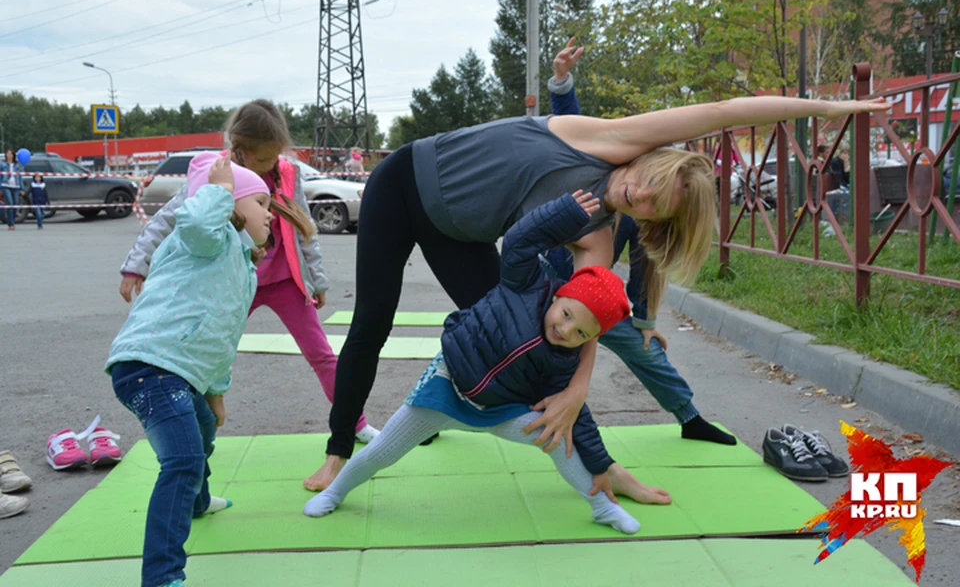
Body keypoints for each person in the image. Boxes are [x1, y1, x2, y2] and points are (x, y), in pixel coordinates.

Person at [305, 44, 891, 491]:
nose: (635, 194)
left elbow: (580, 322)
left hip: (460, 234)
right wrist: (832, 106)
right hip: (404, 181)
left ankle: (598, 468)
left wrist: (579, 384)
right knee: (373, 323)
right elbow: (722, 110)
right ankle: (338, 450)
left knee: (520, 338)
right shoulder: (609, 140)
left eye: (649, 207)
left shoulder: (597, 243)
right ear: (650, 162)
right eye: (646, 184)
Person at [304, 191, 670, 533]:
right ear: (559, 294)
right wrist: (564, 213)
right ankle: (336, 491)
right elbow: (519, 241)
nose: (567, 331)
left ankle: (602, 507)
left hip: (500, 408)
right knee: (384, 450)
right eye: (568, 314)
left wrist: (601, 464)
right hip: (445, 388)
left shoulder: (564, 361)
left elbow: (575, 417)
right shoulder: (524, 284)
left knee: (559, 437)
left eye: (582, 335)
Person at [118, 100, 380, 455]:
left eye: (274, 158)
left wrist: (316, 280)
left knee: (322, 354)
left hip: (286, 281)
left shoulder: (288, 172)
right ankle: (191, 437)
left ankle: (355, 422)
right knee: (204, 351)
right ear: (239, 150)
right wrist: (137, 264)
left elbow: (304, 227)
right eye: (262, 160)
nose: (271, 165)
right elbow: (169, 217)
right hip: (233, 283)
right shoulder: (216, 173)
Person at [107, 153, 314, 587]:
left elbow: (223, 337)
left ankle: (197, 500)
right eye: (260, 203)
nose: (270, 216)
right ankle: (162, 576)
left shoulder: (243, 268)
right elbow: (197, 222)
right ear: (231, 205)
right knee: (182, 459)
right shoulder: (204, 238)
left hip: (181, 371)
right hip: (150, 364)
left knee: (202, 428)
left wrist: (216, 392)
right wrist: (218, 190)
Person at [544, 38, 735, 446]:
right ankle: (430, 413)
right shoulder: (607, 174)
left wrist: (645, 322)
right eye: (649, 185)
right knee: (482, 333)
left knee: (645, 349)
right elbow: (572, 132)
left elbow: (646, 262)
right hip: (537, 279)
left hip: (587, 295)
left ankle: (689, 417)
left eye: (659, 204)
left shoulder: (639, 216)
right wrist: (561, 83)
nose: (643, 199)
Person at [1, 148, 24, 230]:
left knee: (15, 204)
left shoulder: (17, 165)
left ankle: (12, 221)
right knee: (10, 204)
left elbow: (20, 177)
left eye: (11, 154)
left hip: (16, 186)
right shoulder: (2, 164)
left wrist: (22, 188)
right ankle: (10, 224)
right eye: (8, 153)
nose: (9, 155)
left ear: (13, 155)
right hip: (6, 185)